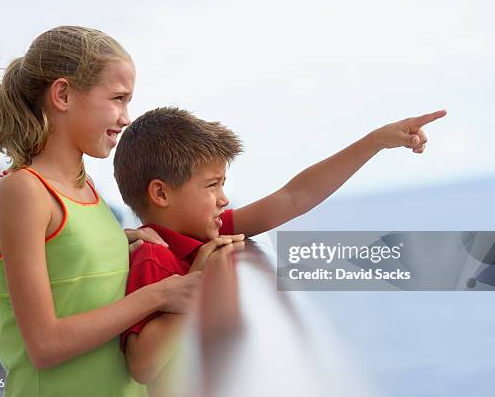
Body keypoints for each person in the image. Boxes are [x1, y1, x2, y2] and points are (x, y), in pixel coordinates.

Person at [113, 106, 446, 390]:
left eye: (223, 184)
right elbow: (142, 365)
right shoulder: (154, 254)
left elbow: (294, 197)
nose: (224, 199)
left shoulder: (206, 234)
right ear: (161, 194)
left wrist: (375, 142)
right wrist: (193, 287)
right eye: (212, 185)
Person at [0, 26, 201, 397]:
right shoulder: (23, 189)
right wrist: (159, 295)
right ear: (63, 94)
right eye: (118, 98)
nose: (126, 116)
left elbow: (67, 262)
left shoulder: (86, 188)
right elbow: (44, 344)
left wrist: (122, 242)